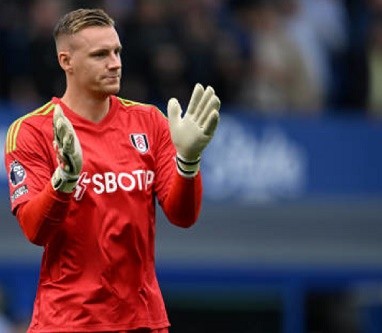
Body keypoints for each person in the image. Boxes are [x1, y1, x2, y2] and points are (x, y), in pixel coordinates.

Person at [4, 8, 220, 333]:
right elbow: (35, 232)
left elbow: (182, 216)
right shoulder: (32, 131)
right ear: (66, 61)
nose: (115, 63)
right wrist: (64, 181)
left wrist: (188, 162)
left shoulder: (149, 122)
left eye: (117, 51)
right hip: (68, 322)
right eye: (100, 54)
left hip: (143, 321)